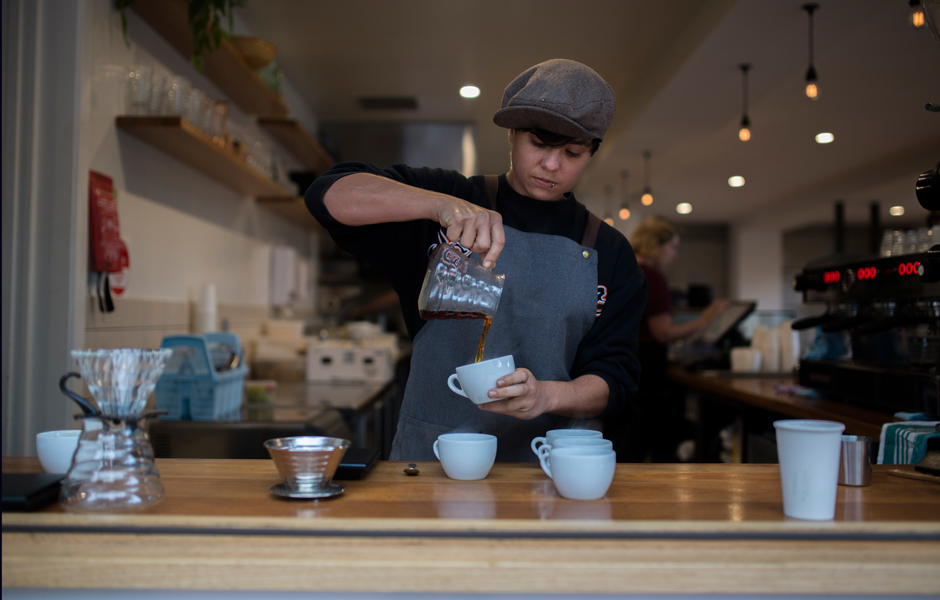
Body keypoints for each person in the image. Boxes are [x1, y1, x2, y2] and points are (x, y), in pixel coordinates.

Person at [306, 59, 647, 462]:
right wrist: (440, 206)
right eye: (538, 144)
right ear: (512, 134)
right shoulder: (447, 197)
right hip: (435, 460)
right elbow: (327, 197)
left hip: (549, 469)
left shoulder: (610, 251)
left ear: (591, 152)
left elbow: (614, 377)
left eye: (572, 153)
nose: (552, 165)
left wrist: (547, 395)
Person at [604, 215, 728, 462]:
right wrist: (705, 319)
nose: (674, 254)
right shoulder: (652, 276)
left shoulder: (621, 268)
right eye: (672, 246)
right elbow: (663, 333)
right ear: (656, 245)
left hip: (617, 366)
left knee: (619, 445)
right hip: (645, 373)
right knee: (644, 446)